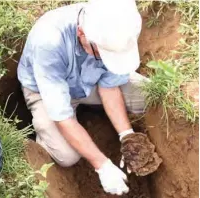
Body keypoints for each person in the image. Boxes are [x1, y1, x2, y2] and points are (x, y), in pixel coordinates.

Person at [18, 0, 148, 195]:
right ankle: (41, 140)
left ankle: (93, 110)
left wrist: (127, 135)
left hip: (89, 82)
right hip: (45, 91)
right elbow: (62, 116)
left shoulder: (118, 29)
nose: (106, 60)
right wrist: (102, 165)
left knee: (147, 97)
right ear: (82, 34)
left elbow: (110, 88)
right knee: (67, 156)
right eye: (102, 55)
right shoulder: (49, 41)